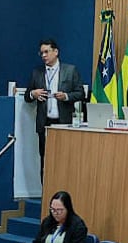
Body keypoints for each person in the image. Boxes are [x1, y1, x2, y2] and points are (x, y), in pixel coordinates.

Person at [23, 39, 84, 167]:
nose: (44, 56)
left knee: (64, 160)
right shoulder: (37, 73)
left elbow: (80, 94)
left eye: (46, 52)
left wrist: (66, 96)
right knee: (45, 160)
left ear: (56, 52)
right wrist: (33, 94)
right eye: (41, 53)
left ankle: (63, 187)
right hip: (44, 123)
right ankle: (45, 187)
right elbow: (27, 97)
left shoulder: (70, 70)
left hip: (64, 123)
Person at [17, 191, 90, 243]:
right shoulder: (48, 221)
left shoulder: (78, 226)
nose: (55, 213)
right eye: (52, 209)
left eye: (59, 210)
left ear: (68, 209)